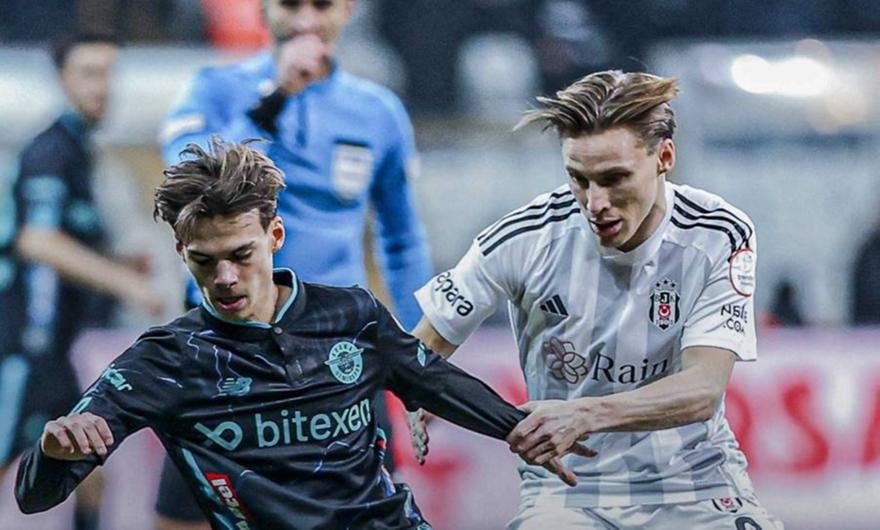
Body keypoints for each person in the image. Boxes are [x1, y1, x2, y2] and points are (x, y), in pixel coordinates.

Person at [14, 139, 578, 530]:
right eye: (205, 261)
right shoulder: (164, 361)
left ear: (275, 236)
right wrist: (52, 452)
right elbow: (34, 497)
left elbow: (434, 381)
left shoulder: (351, 315)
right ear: (181, 252)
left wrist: (521, 428)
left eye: (241, 255)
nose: (225, 277)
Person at [409, 71, 783, 529]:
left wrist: (583, 415)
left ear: (664, 157)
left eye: (614, 178)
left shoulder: (717, 232)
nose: (595, 202)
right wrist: (423, 390)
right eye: (579, 179)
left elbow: (703, 389)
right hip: (568, 493)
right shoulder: (523, 238)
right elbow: (417, 351)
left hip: (698, 486)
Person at [158, 1, 432, 526]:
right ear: (264, 8)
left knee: (364, 514)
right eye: (290, 3)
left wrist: (422, 351)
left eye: (321, 4)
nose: (306, 18)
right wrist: (276, 97)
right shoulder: (215, 89)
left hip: (339, 350)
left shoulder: (377, 111)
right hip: (228, 345)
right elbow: (184, 180)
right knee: (186, 518)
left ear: (347, 10)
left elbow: (401, 240)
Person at [0, 31, 162, 530]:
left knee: (88, 467)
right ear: (63, 79)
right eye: (89, 73)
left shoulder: (79, 151)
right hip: (24, 342)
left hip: (56, 347)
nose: (102, 86)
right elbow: (37, 241)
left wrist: (117, 260)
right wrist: (125, 283)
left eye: (109, 73)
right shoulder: (50, 151)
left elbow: (65, 238)